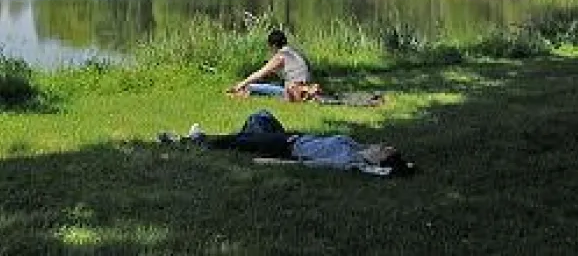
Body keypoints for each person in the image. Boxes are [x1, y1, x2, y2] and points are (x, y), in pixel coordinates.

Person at [159, 110, 414, 176]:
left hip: (285, 147)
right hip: (293, 136)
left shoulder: (348, 161)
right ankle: (247, 140)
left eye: (384, 149)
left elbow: (307, 165)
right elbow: (402, 167)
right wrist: (404, 165)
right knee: (261, 117)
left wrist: (270, 162)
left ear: (379, 159)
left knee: (242, 138)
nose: (381, 144)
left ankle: (196, 140)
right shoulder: (356, 147)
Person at [228, 29, 317, 100]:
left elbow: (259, 74)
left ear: (274, 45)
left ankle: (240, 94)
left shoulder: (280, 56)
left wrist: (240, 84)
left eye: (270, 47)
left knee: (249, 86)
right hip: (307, 87)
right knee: (272, 84)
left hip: (294, 90)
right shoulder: (295, 52)